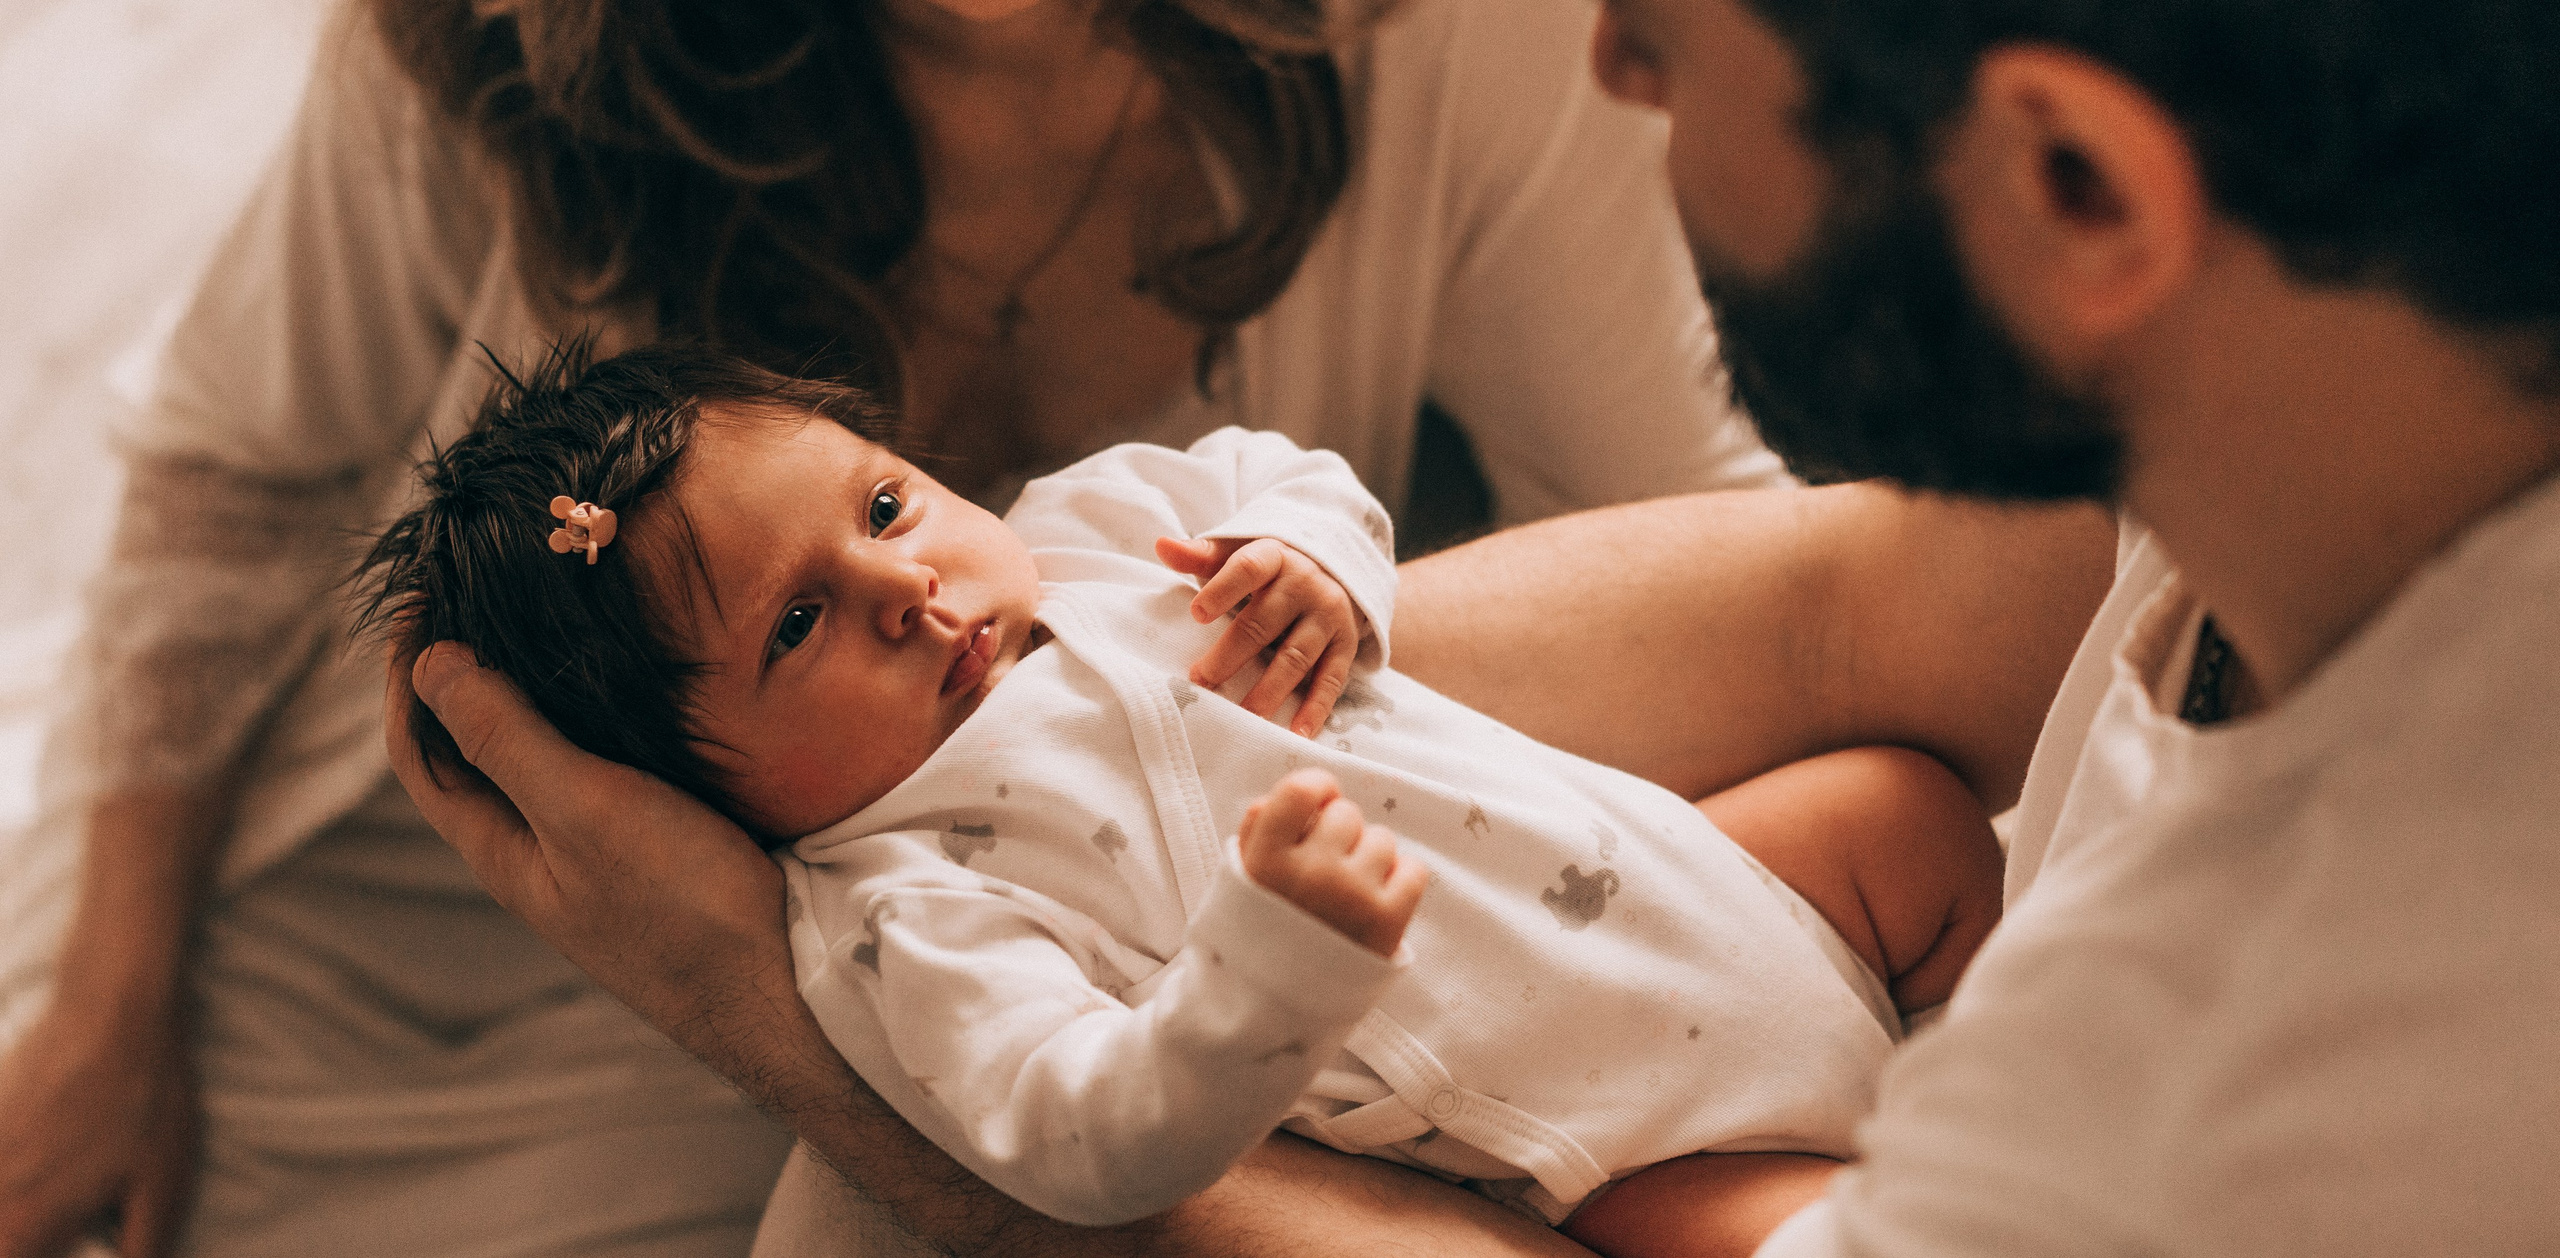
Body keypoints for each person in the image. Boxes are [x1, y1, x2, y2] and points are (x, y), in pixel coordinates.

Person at [398, 0, 2560, 1253]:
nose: (1602, 53)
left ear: (2081, 187)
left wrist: (761, 999)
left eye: (1680, 22)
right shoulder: (2294, 460)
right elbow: (1826, 599)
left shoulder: (2189, 1131)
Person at [0, 0, 1789, 1253]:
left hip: (912, 1015)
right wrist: (108, 999)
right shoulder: (499, 43)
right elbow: (230, 478)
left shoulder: (1455, 34)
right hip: (340, 888)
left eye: (882, 509)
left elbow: (1711, 541)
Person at [358, 344, 2002, 1238]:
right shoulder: (903, 915)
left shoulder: (1080, 534)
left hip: (1702, 884)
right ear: (709, 792)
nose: (907, 587)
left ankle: (2037, 1050)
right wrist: (1258, 970)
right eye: (799, 626)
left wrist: (1315, 558)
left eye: (881, 501)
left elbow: (1277, 470)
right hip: (1630, 1141)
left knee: (1909, 810)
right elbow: (1082, 1134)